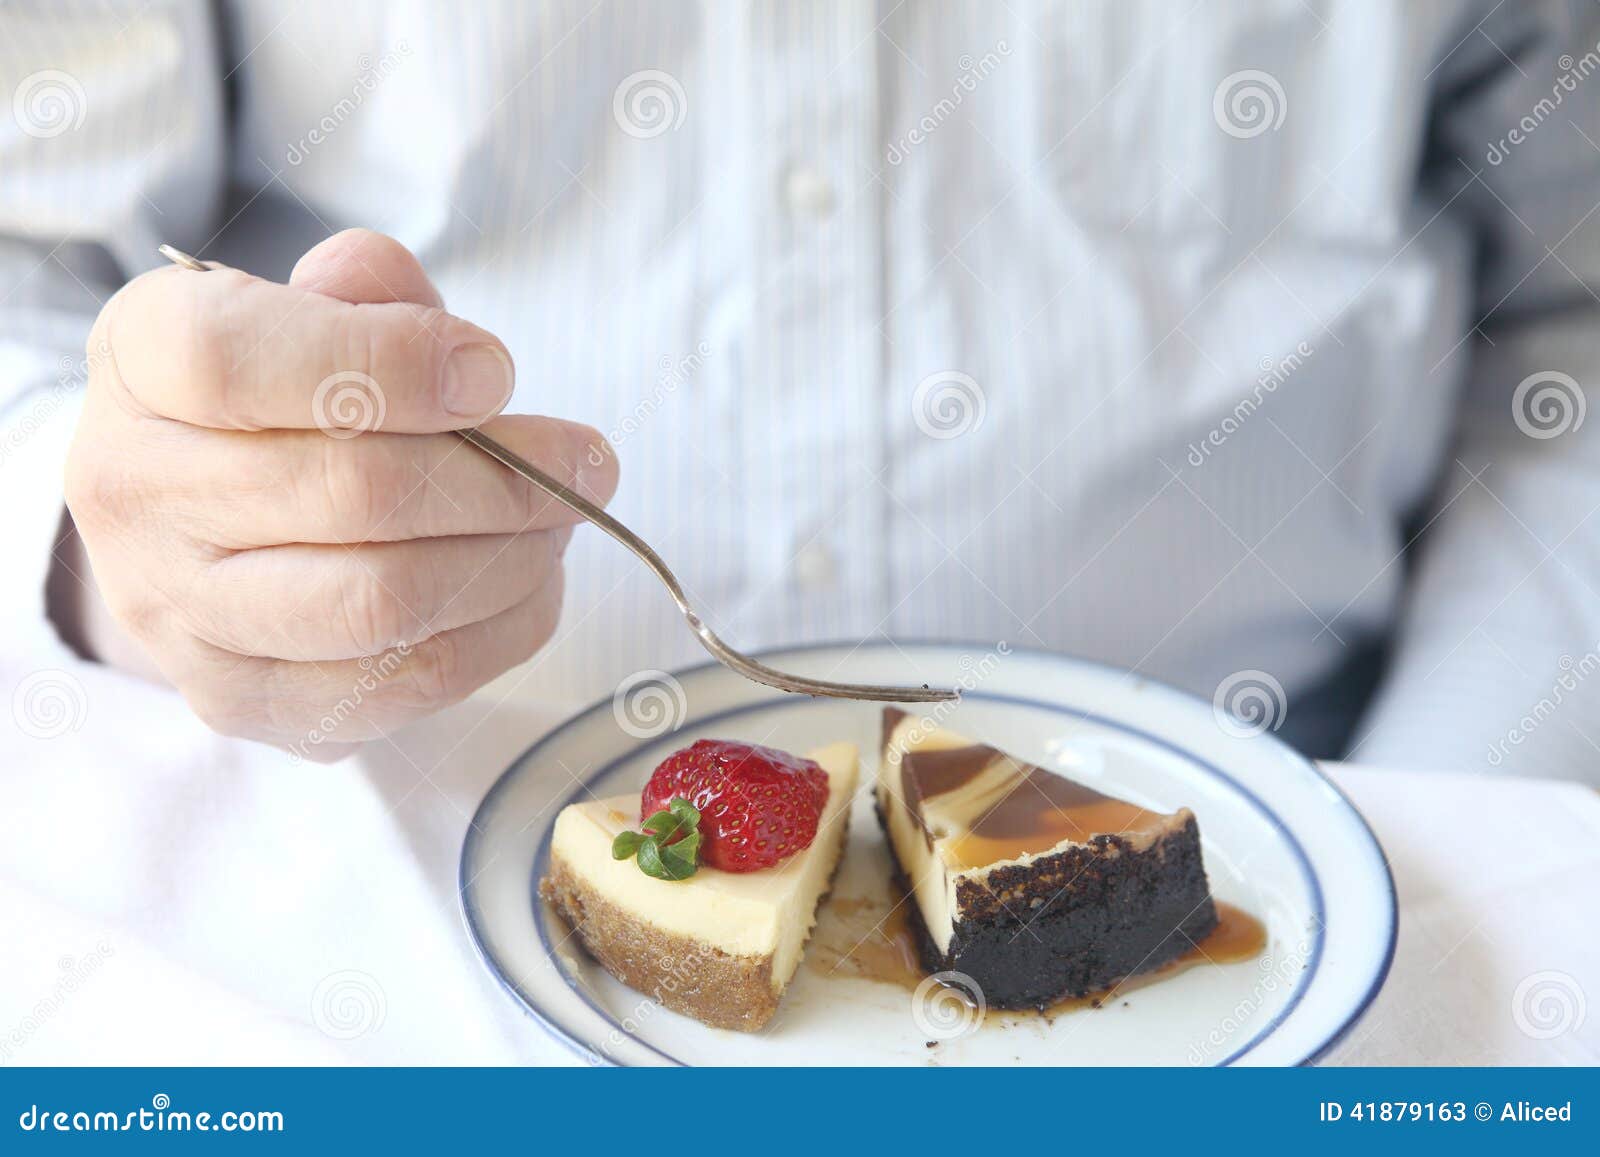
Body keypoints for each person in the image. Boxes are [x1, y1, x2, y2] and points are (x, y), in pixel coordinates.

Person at [5, 1, 1598, 781]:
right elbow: (30, 267)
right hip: (373, 913)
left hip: (1307, 848)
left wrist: (1422, 867)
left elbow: (1572, 314)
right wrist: (131, 542)